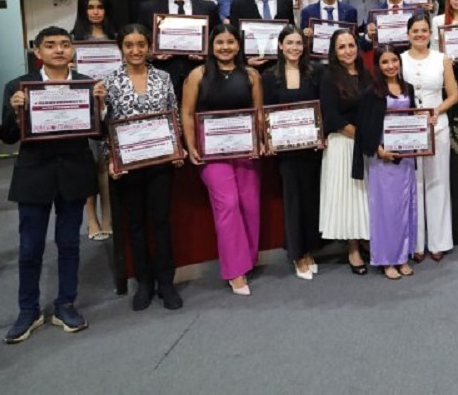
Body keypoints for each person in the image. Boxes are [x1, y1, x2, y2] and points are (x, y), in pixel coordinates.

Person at [0, 26, 105, 343]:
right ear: (38, 53)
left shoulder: (87, 84)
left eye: (64, 44)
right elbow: (6, 137)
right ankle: (28, 310)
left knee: (69, 243)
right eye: (50, 45)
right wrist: (17, 114)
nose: (59, 50)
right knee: (30, 246)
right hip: (34, 173)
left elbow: (98, 134)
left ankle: (65, 304)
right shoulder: (19, 86)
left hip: (73, 170)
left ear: (72, 50)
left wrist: (100, 108)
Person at [103, 23, 183, 311]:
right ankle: (144, 283)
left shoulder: (163, 77)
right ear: (121, 48)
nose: (135, 50)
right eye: (129, 45)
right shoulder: (108, 81)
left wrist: (177, 147)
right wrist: (111, 158)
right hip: (127, 165)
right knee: (135, 226)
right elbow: (104, 126)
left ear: (149, 47)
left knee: (161, 223)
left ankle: (166, 282)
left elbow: (172, 113)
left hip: (160, 161)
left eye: (140, 44)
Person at [181, 25, 263, 296]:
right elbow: (187, 112)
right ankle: (234, 271)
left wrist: (261, 141)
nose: (225, 47)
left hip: (245, 148)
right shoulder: (198, 75)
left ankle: (248, 258)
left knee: (249, 205)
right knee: (228, 204)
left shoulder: (251, 75)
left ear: (239, 46)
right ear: (211, 46)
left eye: (230, 42)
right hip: (211, 151)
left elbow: (258, 113)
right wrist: (191, 145)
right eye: (219, 42)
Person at [262, 26, 322, 280]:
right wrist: (268, 139)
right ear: (280, 46)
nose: (295, 47)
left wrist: (322, 135)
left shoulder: (315, 73)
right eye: (290, 43)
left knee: (311, 198)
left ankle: (310, 250)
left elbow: (322, 107)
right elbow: (265, 111)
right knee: (292, 199)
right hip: (286, 150)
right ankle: (297, 255)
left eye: (299, 43)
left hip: (311, 147)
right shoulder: (268, 76)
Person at [356, 46, 418, 280]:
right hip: (383, 157)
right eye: (385, 62)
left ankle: (402, 256)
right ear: (378, 66)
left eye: (394, 61)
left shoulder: (408, 88)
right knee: (385, 210)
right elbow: (364, 126)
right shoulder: (372, 91)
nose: (391, 65)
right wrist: (378, 150)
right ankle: (385, 259)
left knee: (404, 206)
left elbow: (415, 118)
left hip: (406, 156)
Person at [402, 14, 458, 262]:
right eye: (415, 31)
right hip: (409, 131)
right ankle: (415, 243)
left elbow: (453, 95)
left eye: (424, 30)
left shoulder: (441, 59)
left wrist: (437, 111)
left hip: (438, 127)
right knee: (413, 185)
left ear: (430, 34)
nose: (420, 35)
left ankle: (438, 242)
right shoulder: (399, 60)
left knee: (438, 183)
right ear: (408, 34)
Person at [319, 29, 371, 274]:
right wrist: (361, 136)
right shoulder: (328, 76)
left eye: (351, 45)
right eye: (342, 47)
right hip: (344, 143)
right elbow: (331, 116)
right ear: (334, 51)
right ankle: (352, 248)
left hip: (366, 144)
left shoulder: (366, 74)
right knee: (349, 197)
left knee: (365, 197)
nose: (348, 51)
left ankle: (366, 237)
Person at [70, 0, 117, 241]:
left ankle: (108, 216)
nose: (96, 12)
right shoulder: (72, 40)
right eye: (90, 7)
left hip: (111, 105)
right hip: (84, 108)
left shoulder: (116, 37)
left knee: (106, 166)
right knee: (88, 165)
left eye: (100, 6)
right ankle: (91, 219)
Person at [137, 0, 219, 97]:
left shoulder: (208, 7)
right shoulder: (148, 8)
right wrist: (152, 53)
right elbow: (140, 40)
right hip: (162, 74)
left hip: (200, 73)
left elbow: (216, 38)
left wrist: (206, 53)